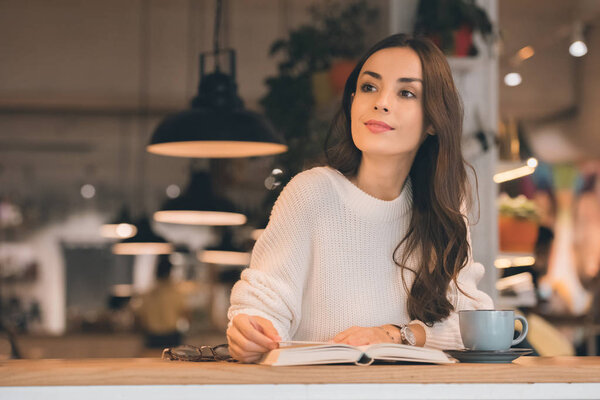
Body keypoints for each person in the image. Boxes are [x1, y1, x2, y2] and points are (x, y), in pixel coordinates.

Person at [227, 33, 494, 363]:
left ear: (432, 121)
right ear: (352, 100)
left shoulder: (446, 210)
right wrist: (250, 330)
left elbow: (474, 324)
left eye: (406, 93)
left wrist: (395, 334)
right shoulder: (311, 194)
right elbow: (264, 304)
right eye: (369, 87)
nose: (381, 102)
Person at [136, 255, 189, 349]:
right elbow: (185, 313)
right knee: (175, 361)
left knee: (153, 361)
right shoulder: (175, 292)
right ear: (170, 273)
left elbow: (140, 316)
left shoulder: (148, 292)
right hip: (171, 336)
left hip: (152, 336)